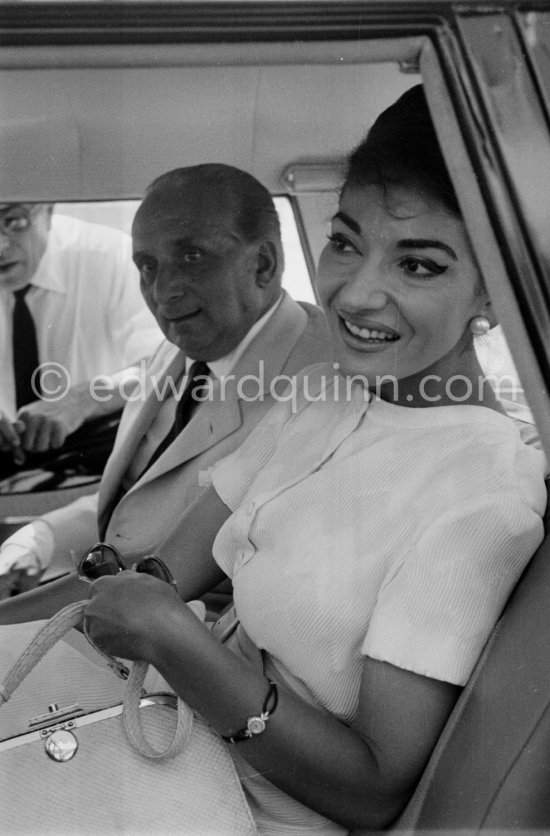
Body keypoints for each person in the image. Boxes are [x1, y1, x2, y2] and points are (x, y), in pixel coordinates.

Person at [75, 85, 545, 834]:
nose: (355, 295)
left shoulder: (485, 493)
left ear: (493, 287)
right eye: (346, 242)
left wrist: (174, 638)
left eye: (418, 266)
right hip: (167, 732)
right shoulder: (325, 387)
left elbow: (374, 788)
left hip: (253, 811)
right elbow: (175, 560)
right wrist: (143, 597)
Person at [0, 164, 332, 601]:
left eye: (191, 257)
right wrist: (40, 538)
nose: (162, 292)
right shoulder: (177, 352)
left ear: (263, 264)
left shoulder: (322, 382)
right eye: (148, 267)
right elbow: (139, 506)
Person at [0, 204, 162, 468]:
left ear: (48, 213)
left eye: (14, 221)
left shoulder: (111, 257)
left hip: (99, 466)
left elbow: (164, 370)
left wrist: (80, 400)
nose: (0, 246)